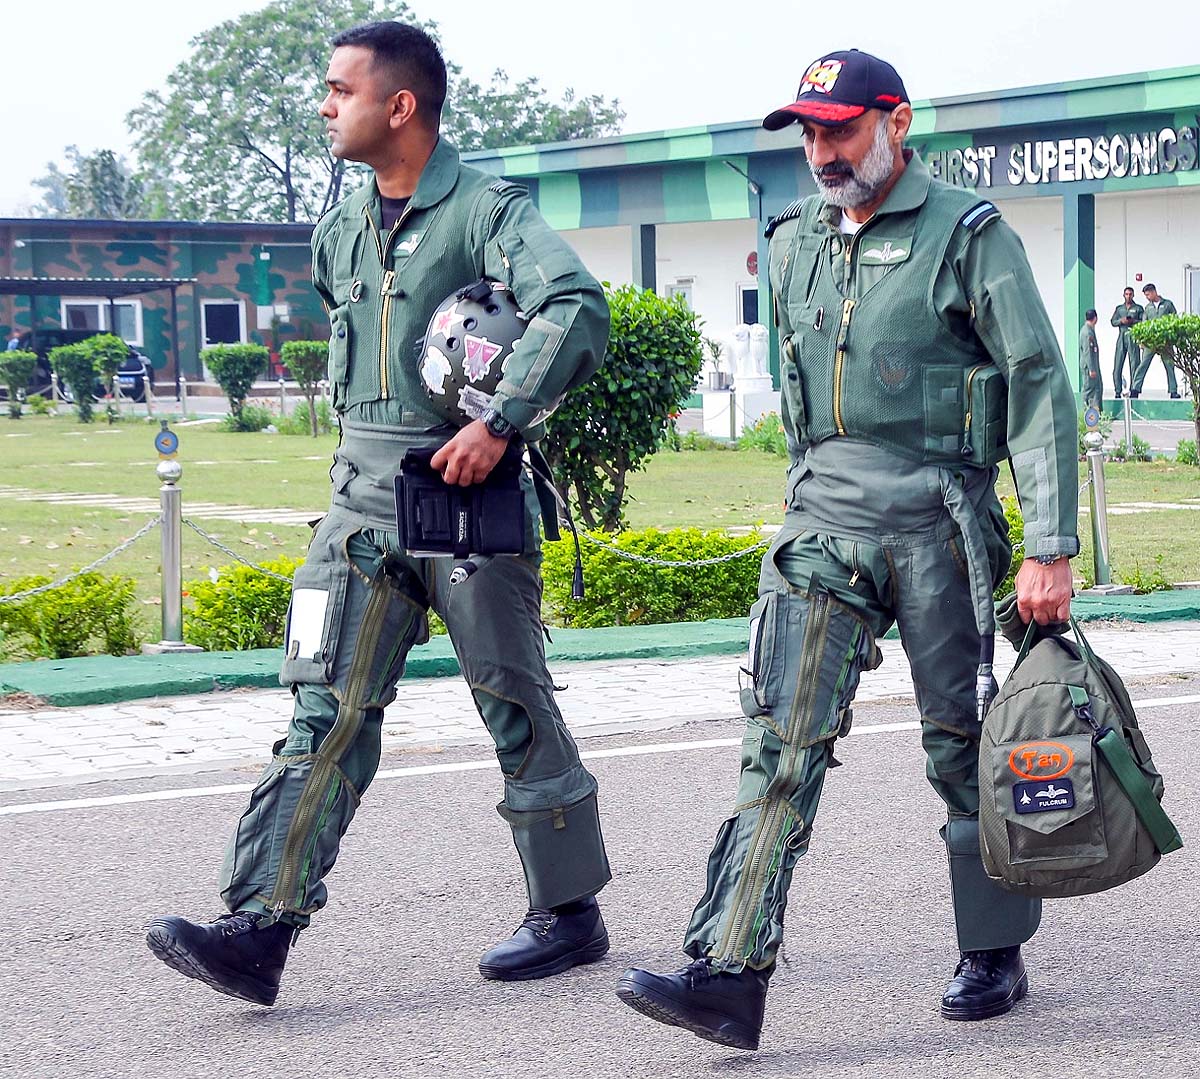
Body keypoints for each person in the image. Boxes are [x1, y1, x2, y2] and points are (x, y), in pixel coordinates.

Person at [616, 49, 1078, 1052]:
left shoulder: (968, 235)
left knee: (961, 745)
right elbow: (795, 385)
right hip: (825, 523)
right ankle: (729, 971)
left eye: (840, 128)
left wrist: (1048, 544)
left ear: (896, 124)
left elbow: (1038, 385)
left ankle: (993, 945)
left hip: (939, 520)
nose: (822, 150)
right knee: (779, 743)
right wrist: (803, 497)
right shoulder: (793, 244)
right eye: (810, 132)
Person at [146, 21, 613, 1006]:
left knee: (513, 701)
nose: (325, 104)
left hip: (467, 495)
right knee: (324, 704)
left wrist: (503, 417)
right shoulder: (338, 227)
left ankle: (569, 909)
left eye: (339, 89)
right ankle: (256, 926)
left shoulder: (486, 209)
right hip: (359, 501)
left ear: (400, 105)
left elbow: (576, 305)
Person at [1130, 283, 1180, 398]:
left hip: (1165, 341)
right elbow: (1144, 324)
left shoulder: (1167, 304)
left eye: (1148, 294)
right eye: (1146, 295)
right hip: (1151, 341)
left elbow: (1174, 319)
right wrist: (1141, 340)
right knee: (1143, 364)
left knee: (1169, 364)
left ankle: (1173, 390)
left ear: (1153, 292)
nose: (1147, 297)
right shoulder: (1148, 308)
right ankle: (1135, 388)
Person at [1110, 287, 1143, 395]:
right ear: (1123, 295)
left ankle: (1134, 389)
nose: (1128, 296)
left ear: (1133, 295)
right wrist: (1121, 321)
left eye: (1130, 294)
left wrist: (1133, 321)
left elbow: (1144, 322)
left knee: (1134, 364)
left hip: (1132, 336)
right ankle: (1118, 390)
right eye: (1126, 294)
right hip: (1121, 336)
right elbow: (1113, 321)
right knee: (1117, 365)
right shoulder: (1120, 308)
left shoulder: (1138, 308)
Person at [1080, 309, 1102, 410]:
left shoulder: (1089, 330)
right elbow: (1087, 352)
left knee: (1097, 388)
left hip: (1092, 365)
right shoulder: (1087, 332)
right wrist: (1091, 369)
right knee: (1089, 389)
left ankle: (1096, 412)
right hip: (1089, 366)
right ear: (1095, 319)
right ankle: (1086, 412)